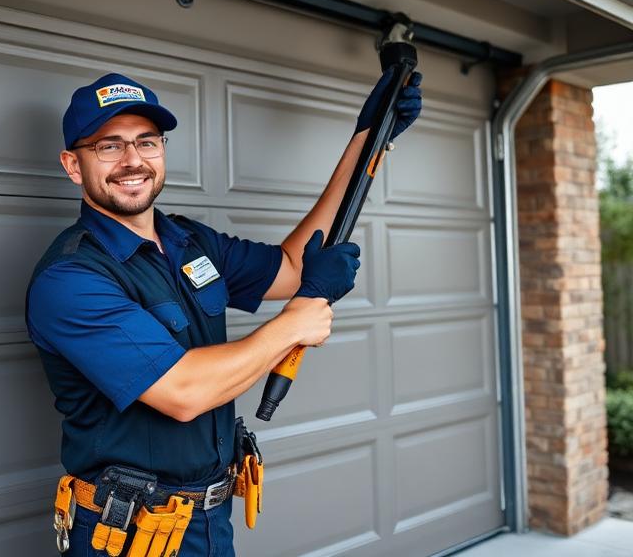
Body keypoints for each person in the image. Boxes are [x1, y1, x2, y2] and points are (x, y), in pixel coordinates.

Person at [26, 70, 422, 556]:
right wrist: (293, 324)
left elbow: (293, 267)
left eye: (147, 141)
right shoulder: (71, 277)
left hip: (209, 520)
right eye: (109, 146)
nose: (133, 160)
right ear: (73, 165)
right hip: (126, 536)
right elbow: (184, 392)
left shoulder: (188, 241)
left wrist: (366, 143)